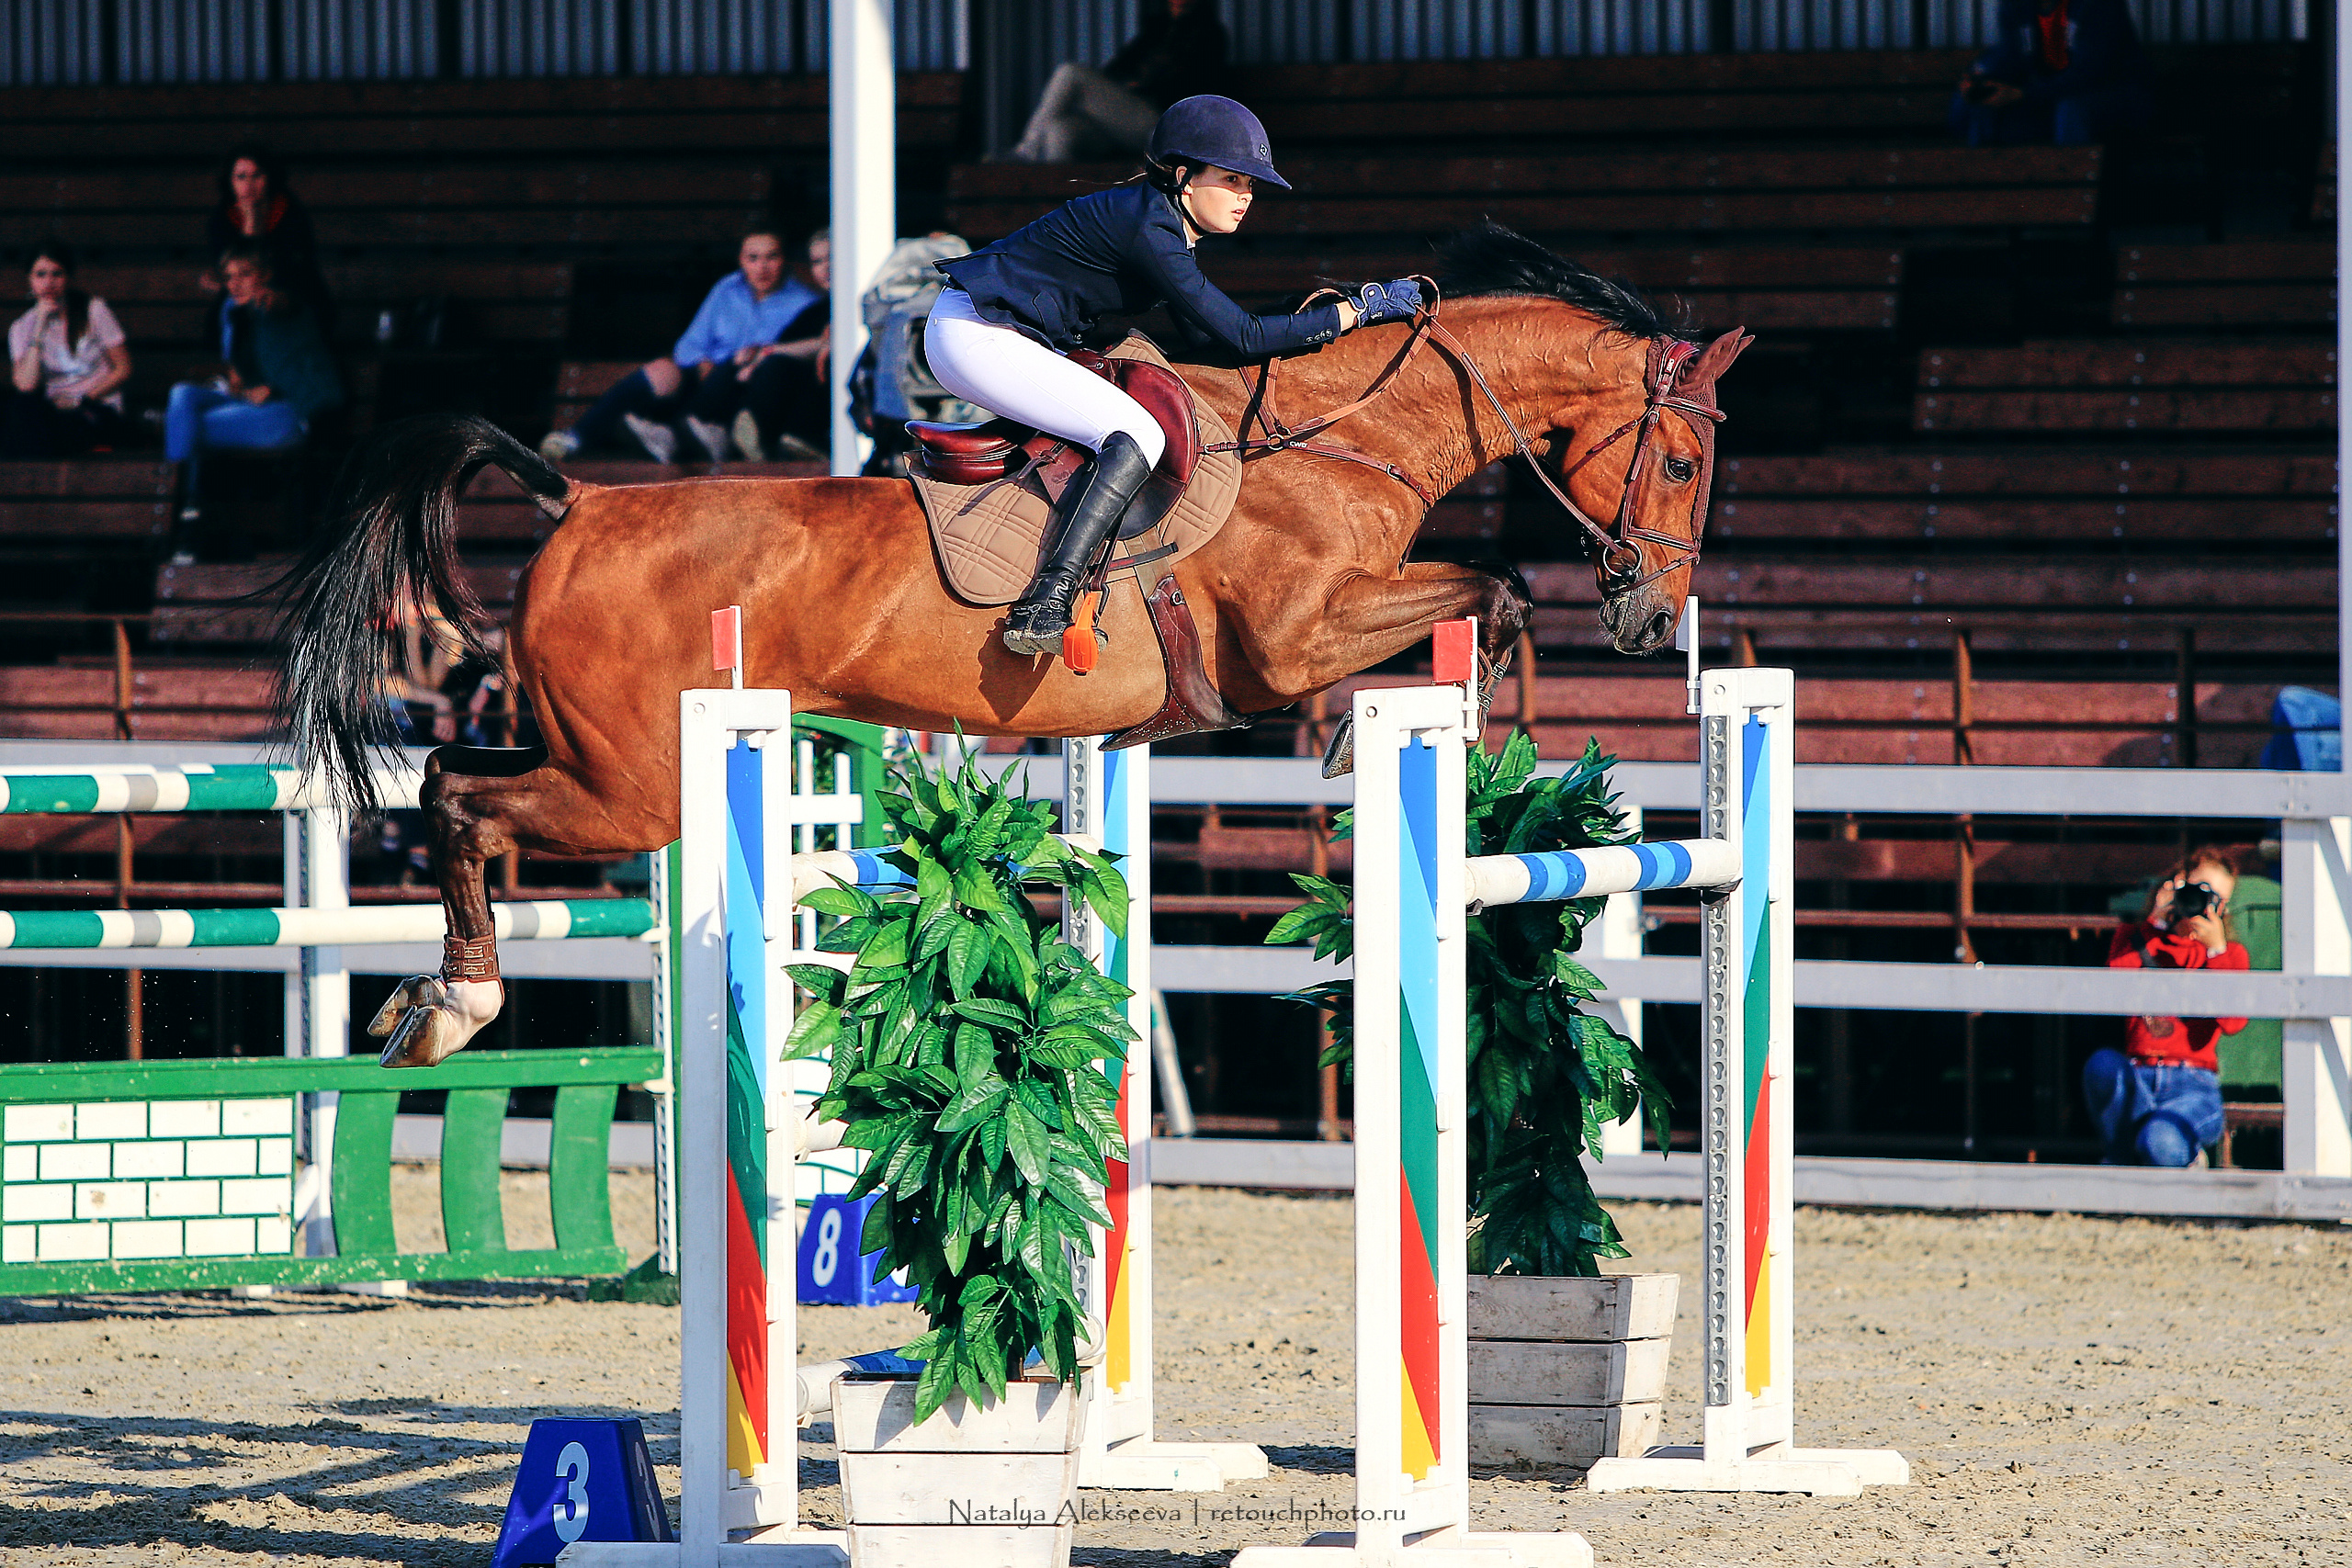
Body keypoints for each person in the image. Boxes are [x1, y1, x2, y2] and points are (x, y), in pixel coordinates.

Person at [931, 94, 1424, 657]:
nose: (1245, 196)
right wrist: (1356, 311)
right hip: (978, 334)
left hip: (989, 332)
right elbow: (1242, 336)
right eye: (1232, 180)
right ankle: (1046, 601)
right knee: (1137, 433)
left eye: (1250, 185)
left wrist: (1314, 326)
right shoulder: (1149, 228)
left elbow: (1211, 340)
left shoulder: (1158, 223)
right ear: (1185, 178)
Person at [538, 229, 824, 466]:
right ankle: (576, 437)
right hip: (704, 377)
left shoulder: (805, 302)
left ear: (784, 260)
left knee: (740, 369)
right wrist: (701, 361)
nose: (762, 267)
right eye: (753, 258)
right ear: (741, 260)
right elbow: (688, 345)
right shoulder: (727, 289)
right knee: (661, 370)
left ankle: (668, 437)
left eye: (771, 257)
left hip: (745, 390)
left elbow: (787, 365)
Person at [166, 240, 344, 558]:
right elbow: (238, 376)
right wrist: (240, 387)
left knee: (185, 425)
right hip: (250, 409)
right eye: (229, 277)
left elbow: (282, 306)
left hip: (290, 414)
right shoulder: (232, 313)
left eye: (245, 274)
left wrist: (273, 389)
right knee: (182, 395)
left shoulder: (278, 303)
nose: (235, 283)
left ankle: (179, 513)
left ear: (265, 275)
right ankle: (188, 505)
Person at [2085, 847, 2251, 1167]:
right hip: (2138, 1076)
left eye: (2216, 898)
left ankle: (2182, 1158)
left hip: (2194, 1085)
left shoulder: (2230, 954)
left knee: (2160, 1140)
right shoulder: (2134, 937)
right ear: (2176, 884)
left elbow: (2233, 1023)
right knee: (2102, 1065)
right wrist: (2155, 925)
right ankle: (2125, 1162)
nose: (2203, 902)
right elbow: (2114, 993)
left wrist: (2216, 951)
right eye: (2198, 890)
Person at [1005, 0, 1230, 164]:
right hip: (1119, 122)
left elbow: (1194, 90)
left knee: (1069, 73)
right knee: (1060, 132)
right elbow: (1114, 70)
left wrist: (1147, 82)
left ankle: (1026, 152)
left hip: (1158, 124)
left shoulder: (1209, 34)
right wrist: (1129, 82)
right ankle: (1058, 210)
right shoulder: (1156, 28)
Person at [1950, 0, 2153, 148]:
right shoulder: (2017, 6)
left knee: (2071, 110)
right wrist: (1981, 79)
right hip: (2052, 99)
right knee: (1983, 107)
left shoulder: (2098, 5)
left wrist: (2023, 94)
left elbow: (2089, 75)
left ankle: (2071, 190)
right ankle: (1986, 189)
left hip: (2118, 98)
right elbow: (2011, 58)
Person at [5, 240, 135, 458]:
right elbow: (26, 385)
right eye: (40, 275)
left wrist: (82, 399)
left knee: (46, 433)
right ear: (29, 279)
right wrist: (39, 327)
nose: (49, 282)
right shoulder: (21, 327)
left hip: (96, 406)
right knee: (20, 409)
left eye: (57, 274)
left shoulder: (93, 309)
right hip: (54, 411)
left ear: (68, 277)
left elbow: (124, 368)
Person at [200, 142, 332, 333]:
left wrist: (254, 225)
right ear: (230, 181)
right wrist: (248, 228)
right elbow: (226, 268)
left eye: (257, 175)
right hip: (241, 298)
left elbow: (291, 269)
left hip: (291, 295)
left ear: (270, 178)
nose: (249, 185)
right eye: (241, 177)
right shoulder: (223, 217)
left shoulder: (289, 212)